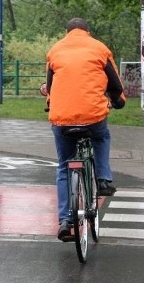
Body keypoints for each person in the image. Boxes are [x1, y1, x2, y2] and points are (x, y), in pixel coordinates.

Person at [44, 17, 126, 242]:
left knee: (64, 166)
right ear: (87, 31)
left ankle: (65, 221)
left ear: (67, 31)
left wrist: (51, 103)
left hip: (62, 120)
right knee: (101, 136)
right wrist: (118, 100)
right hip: (93, 116)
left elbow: (50, 87)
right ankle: (102, 179)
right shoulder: (99, 48)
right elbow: (115, 84)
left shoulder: (55, 50)